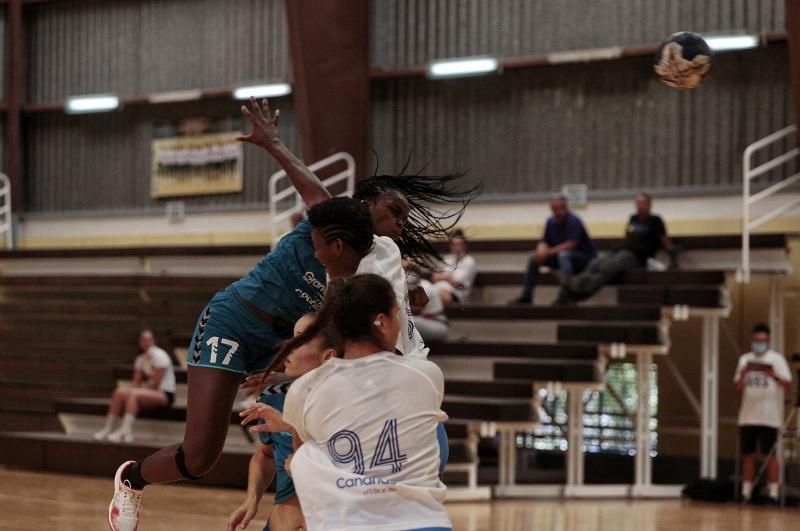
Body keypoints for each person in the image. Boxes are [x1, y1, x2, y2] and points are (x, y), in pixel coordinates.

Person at [109, 98, 466, 531]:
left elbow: (365, 313)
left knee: (305, 445)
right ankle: (131, 479)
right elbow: (312, 188)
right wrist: (273, 143)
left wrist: (412, 296)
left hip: (287, 343)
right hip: (234, 323)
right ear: (363, 206)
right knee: (199, 457)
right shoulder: (327, 222)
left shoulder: (376, 261)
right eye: (394, 212)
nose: (400, 223)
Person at [241, 274, 452, 531]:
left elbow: (300, 465)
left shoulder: (304, 391)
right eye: (397, 314)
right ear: (382, 322)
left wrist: (294, 441)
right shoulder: (427, 375)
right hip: (424, 523)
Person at [227, 313, 342, 531]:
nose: (288, 345)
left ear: (328, 356)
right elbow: (266, 454)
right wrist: (252, 499)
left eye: (300, 339)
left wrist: (290, 426)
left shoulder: (348, 404)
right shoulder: (274, 397)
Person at [558, 193, 673, 303]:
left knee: (608, 267)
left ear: (649, 205)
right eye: (638, 204)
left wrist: (672, 251)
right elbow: (628, 237)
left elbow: (664, 239)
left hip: (637, 257)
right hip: (621, 251)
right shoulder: (633, 218)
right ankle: (576, 283)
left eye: (643, 204)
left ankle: (582, 291)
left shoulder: (656, 220)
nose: (640, 206)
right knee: (596, 262)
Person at [733, 323, 792, 503]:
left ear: (768, 341)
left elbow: (788, 385)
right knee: (748, 454)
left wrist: (772, 374)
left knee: (770, 454)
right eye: (757, 340)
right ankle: (746, 491)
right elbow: (737, 386)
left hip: (769, 417)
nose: (759, 344)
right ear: (752, 340)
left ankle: (773, 492)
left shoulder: (776, 359)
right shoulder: (745, 359)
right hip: (747, 417)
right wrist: (744, 374)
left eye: (763, 341)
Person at [509, 194, 595, 305]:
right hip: (560, 257)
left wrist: (548, 252)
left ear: (565, 207)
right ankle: (526, 296)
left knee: (564, 255)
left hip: (582, 258)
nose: (557, 211)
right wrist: (540, 251)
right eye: (554, 208)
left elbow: (571, 244)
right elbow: (545, 241)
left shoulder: (574, 221)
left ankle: (567, 296)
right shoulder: (550, 221)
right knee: (533, 257)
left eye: (559, 208)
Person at [93, 330, 176, 443]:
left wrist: (134, 390)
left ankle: (125, 432)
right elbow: (136, 382)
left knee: (133, 394)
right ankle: (108, 428)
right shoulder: (140, 359)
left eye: (149, 340)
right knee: (119, 392)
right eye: (143, 340)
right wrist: (127, 390)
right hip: (150, 392)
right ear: (139, 342)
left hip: (164, 394)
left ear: (154, 341)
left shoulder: (160, 356)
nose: (146, 343)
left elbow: (155, 384)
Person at [422, 229, 477, 305]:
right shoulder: (446, 259)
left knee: (431, 296)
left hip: (454, 294)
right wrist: (448, 278)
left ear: (465, 246)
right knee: (422, 290)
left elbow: (458, 285)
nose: (457, 248)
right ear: (451, 246)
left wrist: (443, 277)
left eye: (460, 245)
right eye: (454, 245)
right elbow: (434, 277)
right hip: (436, 288)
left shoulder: (469, 262)